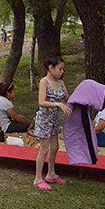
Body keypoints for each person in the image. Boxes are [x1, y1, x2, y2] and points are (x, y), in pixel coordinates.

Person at [33, 55, 72, 191]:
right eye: (60, 69)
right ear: (51, 68)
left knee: (54, 147)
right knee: (44, 149)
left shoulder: (61, 83)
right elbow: (41, 102)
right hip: (44, 120)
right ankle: (38, 178)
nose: (62, 72)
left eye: (63, 69)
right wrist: (58, 104)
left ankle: (51, 174)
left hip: (54, 120)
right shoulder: (44, 82)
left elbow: (68, 99)